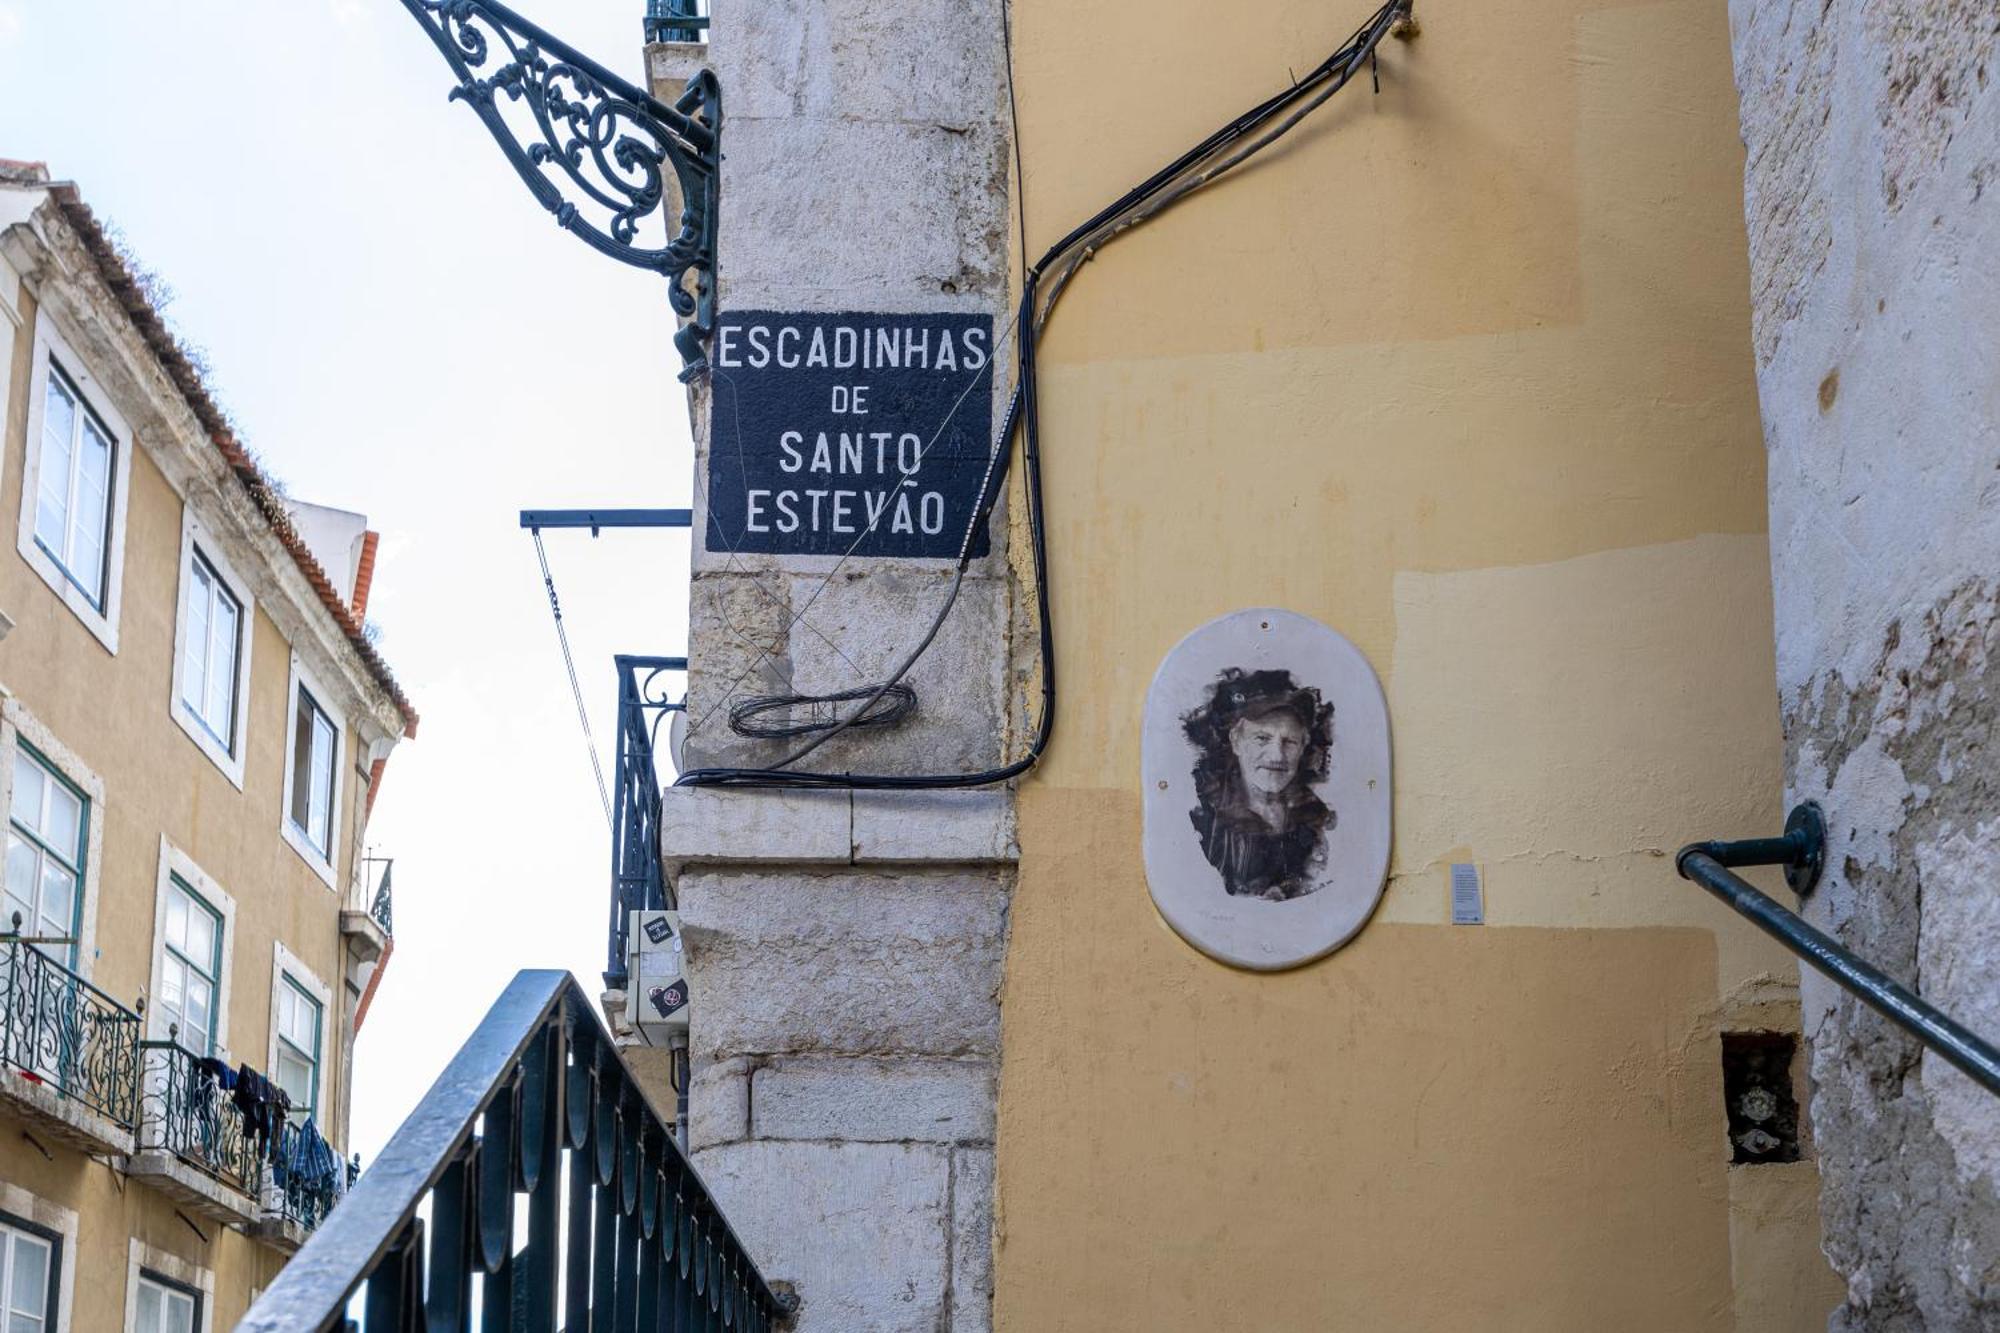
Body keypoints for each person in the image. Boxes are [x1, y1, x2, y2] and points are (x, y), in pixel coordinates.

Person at [1182, 668, 1335, 900]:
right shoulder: (1205, 820)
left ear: (1303, 746)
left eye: (1289, 742)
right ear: (1236, 741)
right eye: (1262, 738)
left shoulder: (1317, 819)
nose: (1277, 756)